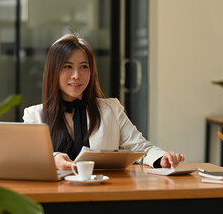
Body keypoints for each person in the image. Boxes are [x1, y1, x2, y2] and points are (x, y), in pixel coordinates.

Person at [23, 34, 185, 170]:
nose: (76, 75)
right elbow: (27, 157)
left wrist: (161, 158)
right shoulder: (34, 115)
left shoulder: (111, 109)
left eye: (84, 67)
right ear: (53, 71)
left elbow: (142, 148)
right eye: (67, 67)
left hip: (103, 192)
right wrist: (54, 158)